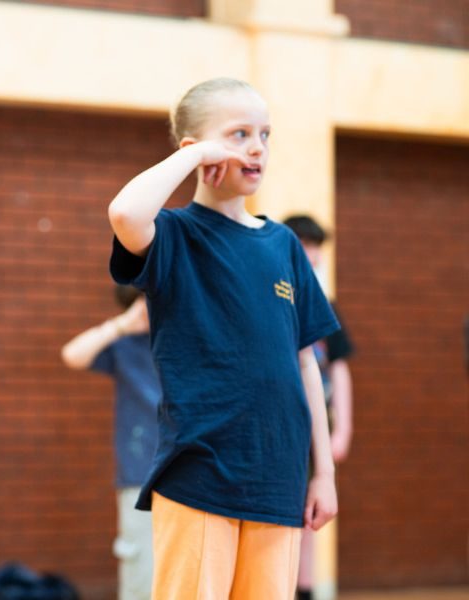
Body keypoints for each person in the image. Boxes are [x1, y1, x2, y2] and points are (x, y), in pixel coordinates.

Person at [106, 77, 340, 599]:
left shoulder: (283, 245)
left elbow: (307, 364)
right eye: (239, 135)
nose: (258, 147)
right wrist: (199, 156)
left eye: (265, 134)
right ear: (196, 150)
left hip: (278, 478)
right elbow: (124, 213)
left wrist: (322, 473)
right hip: (200, 474)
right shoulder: (173, 235)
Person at [61, 285, 162, 600]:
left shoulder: (186, 340)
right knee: (140, 576)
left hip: (190, 476)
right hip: (140, 475)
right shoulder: (126, 344)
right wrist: (120, 325)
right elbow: (72, 355)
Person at [283, 215, 356, 600]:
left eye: (316, 247)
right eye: (303, 244)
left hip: (316, 430)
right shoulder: (274, 300)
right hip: (283, 426)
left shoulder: (327, 308)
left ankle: (306, 590)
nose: (310, 254)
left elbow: (340, 371)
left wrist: (341, 429)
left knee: (311, 516)